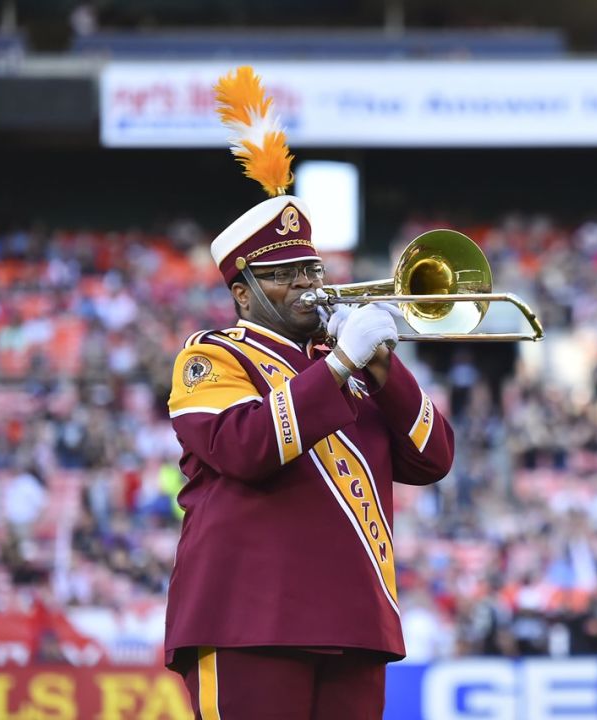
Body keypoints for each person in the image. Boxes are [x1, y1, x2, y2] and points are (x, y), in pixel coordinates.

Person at [164, 66, 454, 719]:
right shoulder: (212, 356)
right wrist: (340, 365)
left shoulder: (349, 364)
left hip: (353, 619)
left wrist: (383, 369)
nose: (308, 284)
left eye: (312, 268)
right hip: (247, 616)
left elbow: (434, 458)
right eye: (286, 274)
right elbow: (245, 449)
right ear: (244, 292)